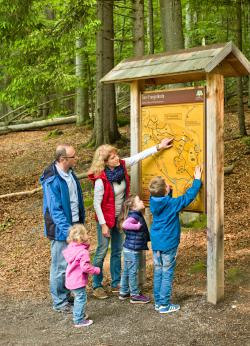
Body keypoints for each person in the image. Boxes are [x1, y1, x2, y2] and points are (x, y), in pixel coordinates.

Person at [88, 138, 173, 299]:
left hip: (120, 218)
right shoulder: (101, 180)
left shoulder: (121, 166)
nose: (116, 158)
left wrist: (158, 147)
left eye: (116, 155)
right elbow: (96, 204)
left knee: (118, 250)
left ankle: (116, 282)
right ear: (105, 162)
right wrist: (103, 225)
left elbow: (138, 157)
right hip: (105, 220)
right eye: (112, 157)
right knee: (101, 251)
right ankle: (97, 284)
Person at [149, 166, 202, 314]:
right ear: (165, 191)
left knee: (158, 271)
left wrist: (168, 191)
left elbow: (164, 202)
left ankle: (158, 303)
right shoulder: (172, 204)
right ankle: (165, 305)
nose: (168, 185)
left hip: (157, 242)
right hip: (168, 243)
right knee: (167, 272)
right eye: (167, 185)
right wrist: (197, 180)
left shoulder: (153, 201)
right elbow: (187, 197)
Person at [40, 144, 85, 312]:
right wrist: (69, 231)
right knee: (59, 266)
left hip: (74, 224)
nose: (77, 158)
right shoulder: (52, 179)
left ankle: (65, 296)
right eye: (74, 156)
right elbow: (55, 210)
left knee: (70, 264)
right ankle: (59, 302)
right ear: (63, 159)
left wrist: (79, 225)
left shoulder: (70, 173)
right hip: (61, 229)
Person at [63, 224, 100, 328]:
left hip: (71, 279)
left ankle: (79, 314)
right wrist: (96, 270)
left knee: (78, 298)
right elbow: (85, 267)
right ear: (82, 237)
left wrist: (86, 244)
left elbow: (80, 251)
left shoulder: (72, 247)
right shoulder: (83, 252)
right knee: (81, 298)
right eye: (86, 233)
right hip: (77, 280)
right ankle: (78, 320)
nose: (88, 235)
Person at [119, 195, 150, 304]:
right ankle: (134, 295)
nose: (142, 201)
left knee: (127, 270)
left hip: (129, 249)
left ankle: (123, 291)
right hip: (132, 250)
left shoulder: (136, 214)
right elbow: (125, 224)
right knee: (132, 272)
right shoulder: (134, 216)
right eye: (139, 200)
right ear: (133, 206)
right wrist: (137, 226)